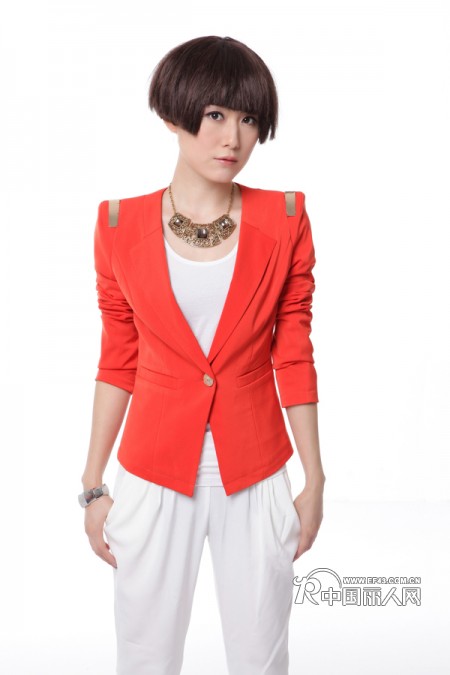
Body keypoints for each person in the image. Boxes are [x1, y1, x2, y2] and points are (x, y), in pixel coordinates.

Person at [80, 35, 325, 675]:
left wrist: (314, 479)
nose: (233, 138)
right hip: (153, 473)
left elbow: (294, 353)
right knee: (145, 657)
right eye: (215, 114)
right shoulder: (117, 225)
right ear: (173, 114)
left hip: (257, 472)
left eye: (248, 118)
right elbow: (118, 360)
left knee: (261, 658)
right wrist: (93, 484)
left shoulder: (287, 218)